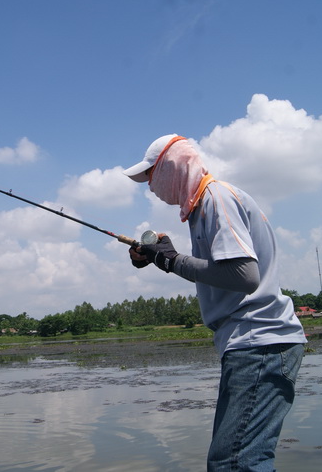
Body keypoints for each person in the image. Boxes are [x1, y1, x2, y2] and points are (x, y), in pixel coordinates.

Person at [124, 134, 307, 471]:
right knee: (236, 459)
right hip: (250, 344)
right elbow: (223, 270)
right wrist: (159, 257)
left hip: (259, 342)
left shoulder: (216, 198)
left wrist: (172, 261)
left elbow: (244, 276)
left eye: (151, 176)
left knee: (235, 462)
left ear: (172, 167)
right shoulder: (202, 207)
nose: (150, 186)